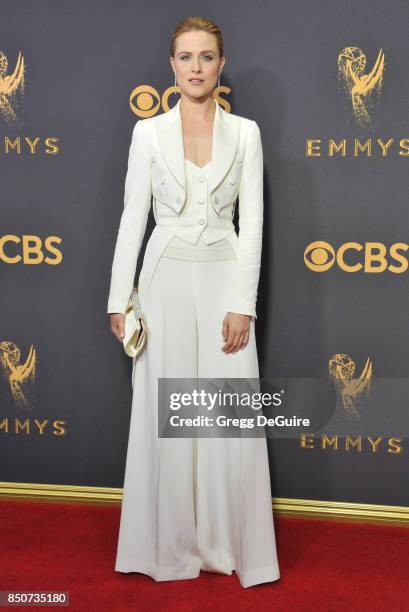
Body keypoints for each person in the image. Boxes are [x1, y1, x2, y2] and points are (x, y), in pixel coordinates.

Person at [107, 16, 280, 588]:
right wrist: (118, 300)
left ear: (221, 64)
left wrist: (243, 303)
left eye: (207, 57)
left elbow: (252, 224)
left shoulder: (247, 134)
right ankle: (169, 547)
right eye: (186, 57)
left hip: (224, 278)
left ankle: (227, 544)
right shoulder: (147, 134)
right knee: (166, 415)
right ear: (172, 65)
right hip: (163, 283)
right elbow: (134, 218)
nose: (196, 68)